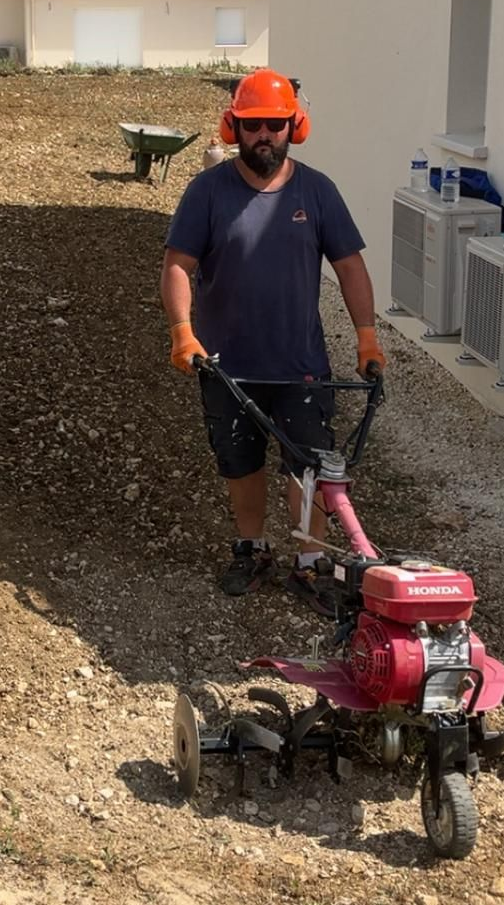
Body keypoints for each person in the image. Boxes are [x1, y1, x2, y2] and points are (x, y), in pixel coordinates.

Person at [159, 68, 386, 616]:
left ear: (295, 127)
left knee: (308, 464)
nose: (265, 134)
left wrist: (367, 336)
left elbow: (350, 266)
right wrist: (183, 332)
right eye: (254, 124)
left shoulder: (318, 191)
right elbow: (178, 265)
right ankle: (252, 547)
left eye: (275, 125)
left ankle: (311, 561)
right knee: (239, 463)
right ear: (234, 126)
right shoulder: (207, 192)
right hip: (226, 366)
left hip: (300, 363)